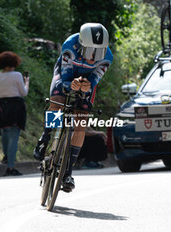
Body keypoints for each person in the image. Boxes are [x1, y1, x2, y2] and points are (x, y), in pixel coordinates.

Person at [33, 23, 113, 191]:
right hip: (65, 74)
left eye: (99, 52)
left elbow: (95, 78)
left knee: (81, 121)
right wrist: (71, 85)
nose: (94, 57)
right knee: (57, 102)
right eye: (91, 51)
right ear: (81, 44)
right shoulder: (70, 45)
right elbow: (65, 76)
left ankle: (68, 172)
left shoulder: (108, 57)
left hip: (86, 79)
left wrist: (87, 85)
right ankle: (45, 137)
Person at [0, 51, 29, 176]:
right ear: (15, 62)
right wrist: (26, 82)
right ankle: (10, 167)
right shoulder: (17, 75)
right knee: (14, 137)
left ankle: (7, 157)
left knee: (5, 133)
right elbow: (23, 93)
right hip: (16, 105)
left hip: (2, 105)